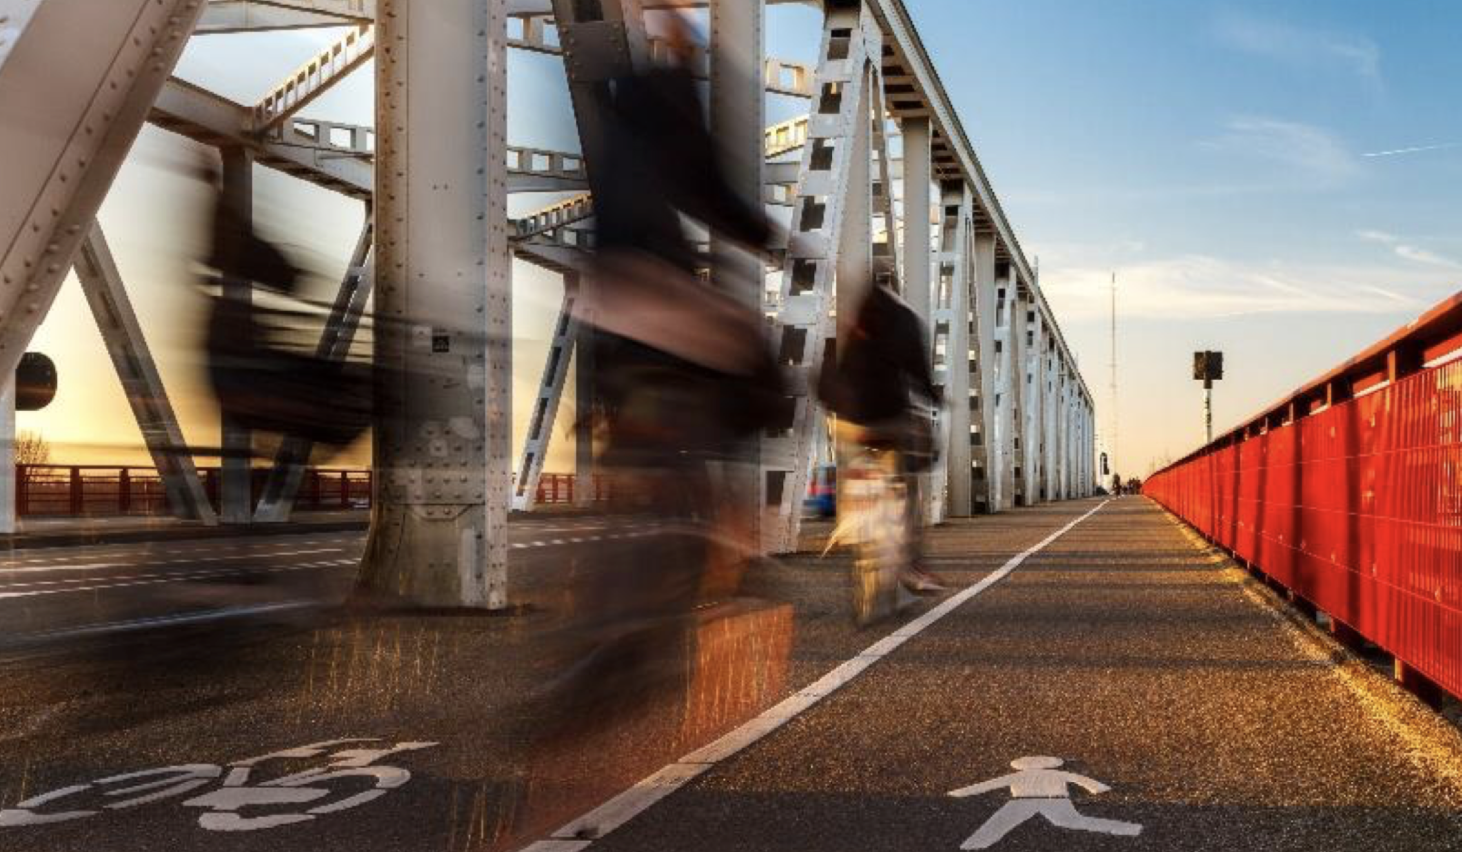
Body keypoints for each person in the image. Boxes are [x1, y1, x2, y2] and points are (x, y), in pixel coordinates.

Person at [818, 282, 947, 594]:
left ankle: (848, 521)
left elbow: (821, 378)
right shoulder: (904, 320)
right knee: (906, 486)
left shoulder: (841, 321)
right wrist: (934, 397)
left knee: (853, 461)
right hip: (889, 420)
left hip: (847, 423)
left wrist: (839, 409)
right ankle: (912, 565)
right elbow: (917, 372)